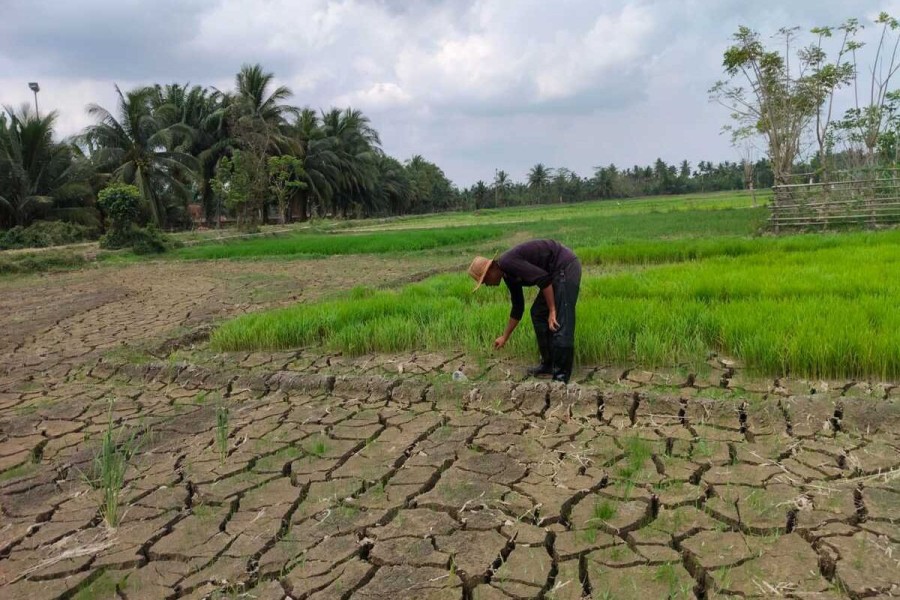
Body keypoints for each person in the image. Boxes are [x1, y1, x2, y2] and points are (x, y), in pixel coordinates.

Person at [468, 239, 581, 383]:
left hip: (565, 267)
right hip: (554, 274)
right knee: (538, 313)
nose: (486, 285)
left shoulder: (508, 262)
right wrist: (505, 337)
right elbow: (518, 307)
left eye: (484, 280)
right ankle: (549, 364)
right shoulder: (507, 274)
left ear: (491, 269)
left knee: (561, 320)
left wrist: (552, 310)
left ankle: (561, 376)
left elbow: (544, 280)